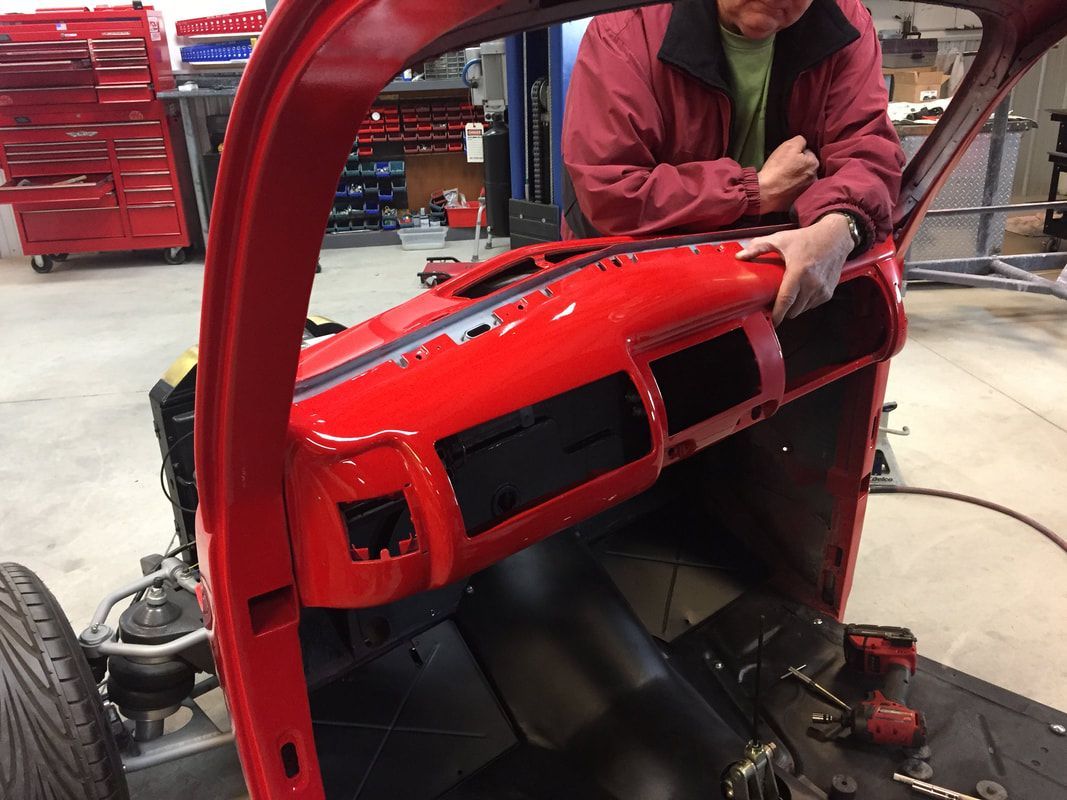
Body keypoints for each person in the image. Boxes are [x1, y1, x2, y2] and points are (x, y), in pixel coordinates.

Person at [561, 0, 905, 324]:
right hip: (636, 282)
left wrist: (841, 227)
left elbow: (867, 150)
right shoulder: (627, 30)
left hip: (780, 281)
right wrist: (754, 191)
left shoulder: (847, 22)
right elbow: (612, 190)